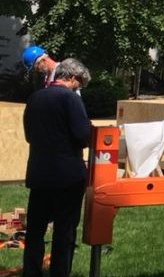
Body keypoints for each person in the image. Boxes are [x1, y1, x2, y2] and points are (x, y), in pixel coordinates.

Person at [22, 58, 92, 277]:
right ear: (72, 77)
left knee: (35, 230)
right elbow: (83, 136)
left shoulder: (35, 98)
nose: (78, 88)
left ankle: (31, 272)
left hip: (39, 172)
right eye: (79, 83)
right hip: (67, 175)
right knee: (64, 231)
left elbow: (29, 135)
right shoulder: (70, 100)